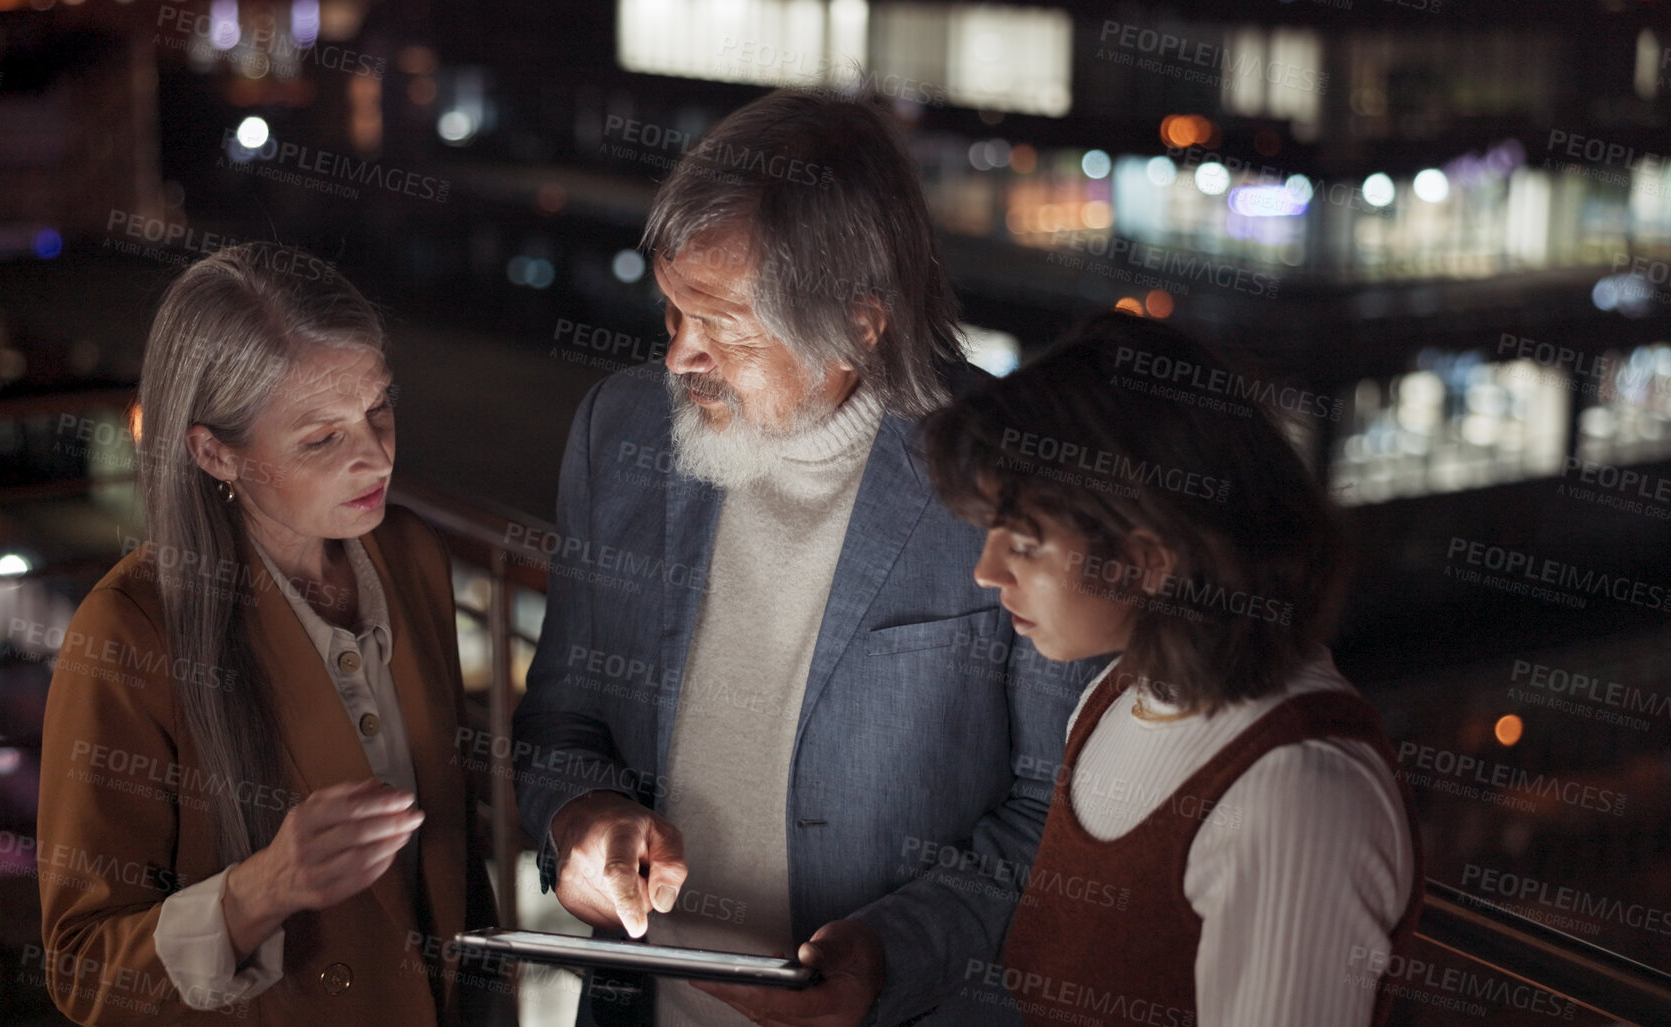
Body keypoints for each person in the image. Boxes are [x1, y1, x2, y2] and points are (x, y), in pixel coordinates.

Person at [512, 90, 1107, 1026]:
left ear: (859, 322)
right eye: (670, 309)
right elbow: (560, 715)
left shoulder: (1013, 472)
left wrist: (887, 952)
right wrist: (577, 820)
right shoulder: (616, 429)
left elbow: (1055, 813)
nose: (676, 358)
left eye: (721, 324)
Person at [35, 242, 503, 1026]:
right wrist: (264, 888)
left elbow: (450, 858)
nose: (375, 454)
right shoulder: (129, 632)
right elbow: (84, 969)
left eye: (378, 407)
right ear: (215, 451)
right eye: (321, 438)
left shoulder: (409, 555)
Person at [922, 310, 1423, 1027]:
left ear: (1151, 559)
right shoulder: (1113, 696)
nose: (985, 570)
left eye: (1025, 544)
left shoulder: (1292, 792)